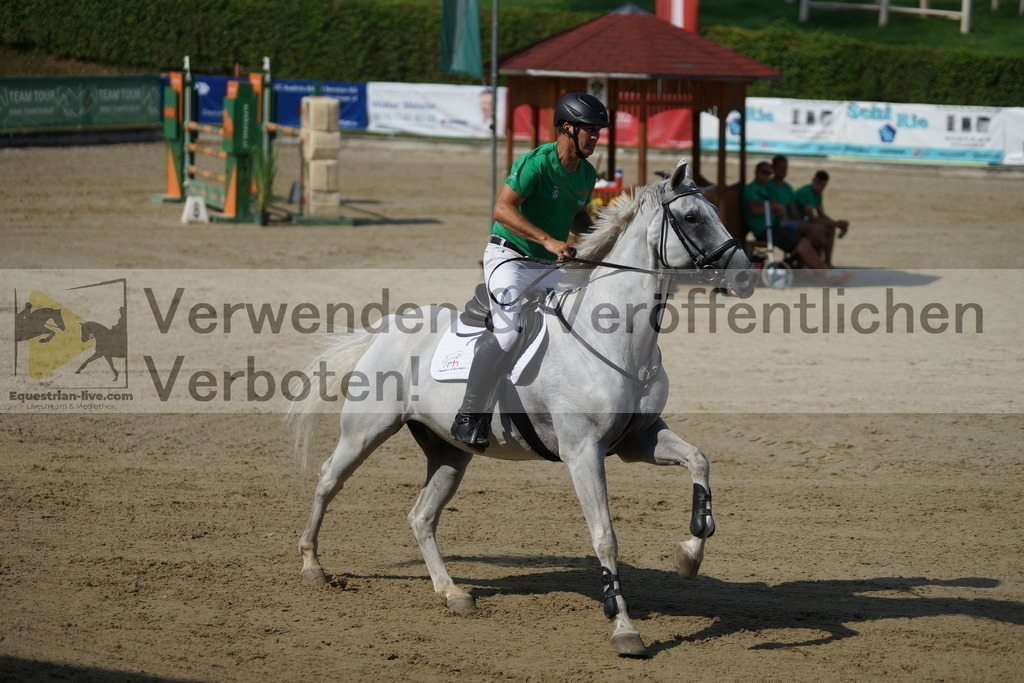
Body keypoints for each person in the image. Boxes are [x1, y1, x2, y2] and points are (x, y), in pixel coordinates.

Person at [450, 92, 608, 451]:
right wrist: (550, 240)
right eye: (590, 130)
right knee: (507, 334)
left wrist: (601, 243)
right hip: (509, 259)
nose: (596, 137)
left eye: (599, 131)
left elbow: (580, 216)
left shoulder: (586, 172)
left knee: (581, 318)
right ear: (567, 128)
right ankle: (469, 415)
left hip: (548, 267)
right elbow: (502, 209)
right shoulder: (536, 163)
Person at [743, 161, 850, 283]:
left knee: (807, 241)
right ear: (756, 172)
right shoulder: (751, 189)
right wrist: (774, 206)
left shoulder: (764, 189)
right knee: (805, 243)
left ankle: (825, 268)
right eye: (764, 172)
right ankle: (825, 273)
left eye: (769, 173)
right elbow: (755, 209)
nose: (767, 175)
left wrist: (777, 210)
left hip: (774, 226)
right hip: (765, 230)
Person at [767, 154, 828, 261]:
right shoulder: (768, 186)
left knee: (821, 240)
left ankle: (808, 264)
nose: (783, 170)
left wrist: (800, 222)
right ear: (773, 168)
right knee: (815, 229)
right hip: (776, 225)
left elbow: (793, 212)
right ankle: (797, 259)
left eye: (785, 167)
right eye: (780, 167)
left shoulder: (788, 188)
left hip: (788, 222)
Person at [795, 170, 850, 267]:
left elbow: (821, 214)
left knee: (830, 228)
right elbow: (812, 218)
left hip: (803, 221)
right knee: (820, 234)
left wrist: (835, 223)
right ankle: (806, 263)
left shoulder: (818, 194)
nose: (820, 186)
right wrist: (837, 223)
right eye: (818, 183)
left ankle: (827, 262)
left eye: (823, 185)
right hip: (795, 221)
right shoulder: (805, 192)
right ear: (813, 181)